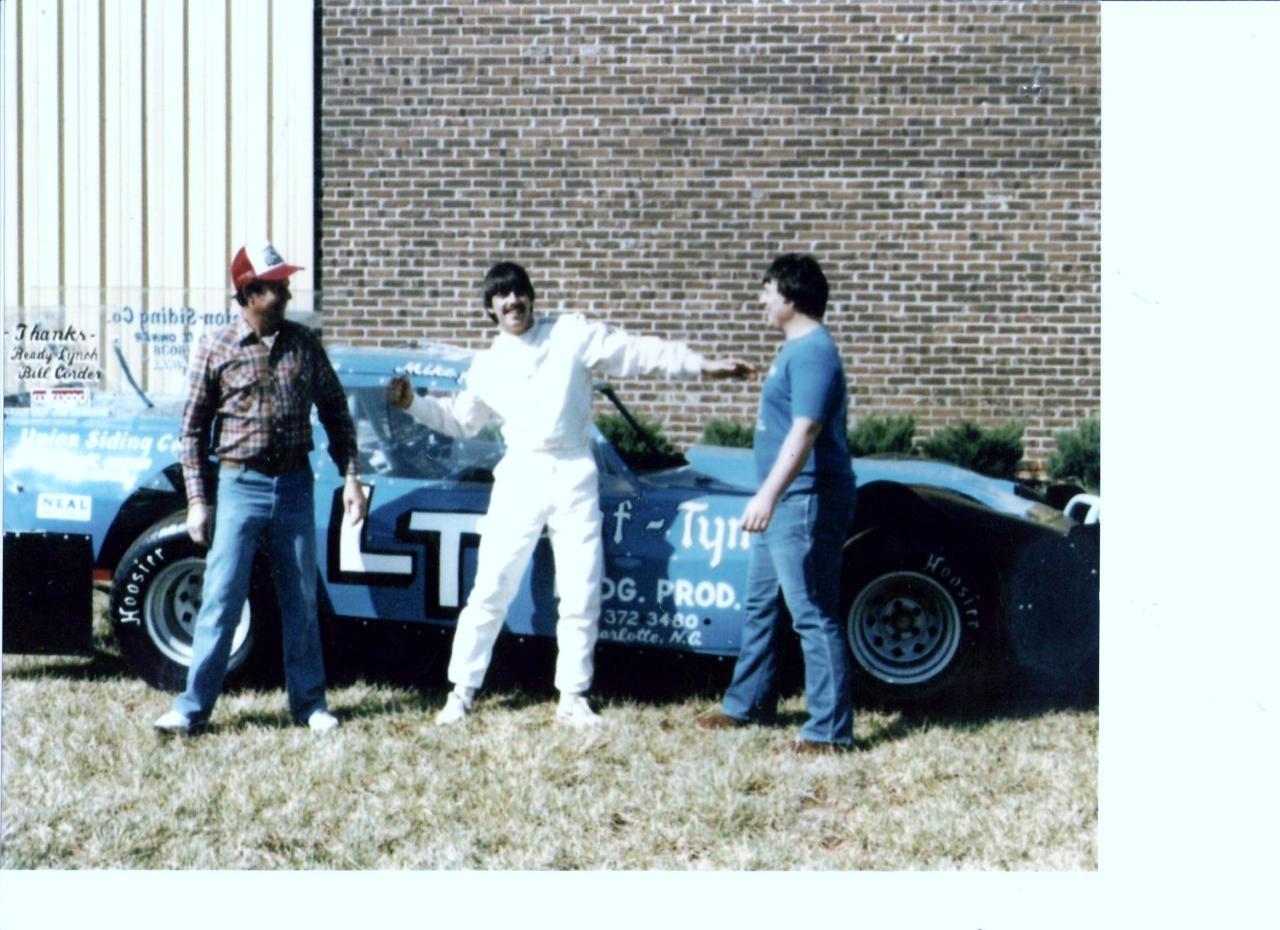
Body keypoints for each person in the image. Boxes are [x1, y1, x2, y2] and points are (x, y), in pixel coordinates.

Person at [387, 261, 752, 727]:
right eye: (502, 296)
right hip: (521, 472)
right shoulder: (488, 364)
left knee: (581, 589)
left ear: (531, 297)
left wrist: (702, 365)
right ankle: (461, 692)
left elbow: (635, 352)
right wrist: (413, 403)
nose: (512, 301)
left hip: (575, 471)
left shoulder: (571, 334)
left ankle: (573, 697)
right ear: (490, 309)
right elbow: (461, 420)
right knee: (492, 585)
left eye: (519, 292)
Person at [153, 240, 368, 735]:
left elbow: (336, 412)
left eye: (286, 284)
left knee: (301, 598)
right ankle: (191, 709)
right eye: (276, 287)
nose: (287, 293)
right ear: (249, 293)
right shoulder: (216, 347)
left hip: (294, 483)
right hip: (239, 484)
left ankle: (310, 705)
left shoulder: (304, 343)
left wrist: (352, 476)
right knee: (221, 597)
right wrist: (197, 500)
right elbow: (191, 431)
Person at [696, 254, 858, 753]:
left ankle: (829, 732)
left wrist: (767, 494)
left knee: (811, 611)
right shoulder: (796, 350)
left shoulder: (813, 352)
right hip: (787, 497)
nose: (760, 300)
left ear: (789, 295)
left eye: (766, 291)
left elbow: (806, 429)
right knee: (762, 605)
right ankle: (747, 704)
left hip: (804, 499)